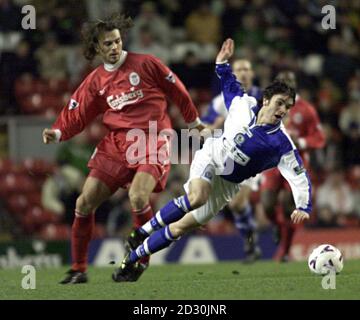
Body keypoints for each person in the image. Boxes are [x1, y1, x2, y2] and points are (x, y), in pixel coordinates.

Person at [112, 39, 311, 282]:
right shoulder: (242, 105)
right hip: (212, 156)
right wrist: (221, 62)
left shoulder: (281, 143)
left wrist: (303, 205)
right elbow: (228, 84)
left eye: (288, 107)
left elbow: (299, 176)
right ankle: (141, 231)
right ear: (266, 100)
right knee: (197, 197)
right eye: (280, 103)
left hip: (228, 184)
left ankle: (130, 260)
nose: (283, 110)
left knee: (180, 227)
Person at [42, 13, 204, 284]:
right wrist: (58, 132)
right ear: (97, 48)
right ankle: (79, 269)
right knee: (83, 202)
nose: (114, 47)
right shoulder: (95, 80)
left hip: (152, 138)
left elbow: (178, 91)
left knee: (138, 197)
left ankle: (139, 262)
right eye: (108, 43)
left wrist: (194, 121)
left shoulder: (146, 63)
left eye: (117, 41)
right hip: (117, 143)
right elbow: (78, 112)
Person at [260, 71, 325, 262]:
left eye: (290, 82)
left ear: (295, 84)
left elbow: (319, 138)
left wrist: (301, 141)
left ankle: (286, 251)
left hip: (295, 163)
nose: (286, 85)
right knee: (267, 205)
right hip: (272, 162)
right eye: (282, 82)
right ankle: (278, 227)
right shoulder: (268, 106)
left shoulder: (306, 110)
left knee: (290, 205)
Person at [201, 58, 262, 262]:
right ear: (232, 74)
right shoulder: (220, 102)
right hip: (229, 157)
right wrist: (216, 125)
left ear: (252, 73)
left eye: (246, 68)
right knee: (234, 206)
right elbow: (202, 132)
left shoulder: (264, 97)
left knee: (237, 202)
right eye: (239, 69)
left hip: (254, 157)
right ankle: (250, 239)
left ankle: (252, 241)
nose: (243, 73)